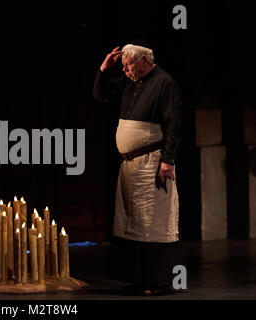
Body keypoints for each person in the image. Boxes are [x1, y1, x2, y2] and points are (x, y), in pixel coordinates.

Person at [93, 41, 182, 296]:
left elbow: (174, 124)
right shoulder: (129, 82)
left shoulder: (165, 83)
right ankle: (138, 279)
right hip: (130, 165)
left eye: (127, 64)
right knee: (133, 223)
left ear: (144, 60)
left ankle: (156, 282)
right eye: (123, 66)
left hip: (151, 161)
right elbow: (100, 94)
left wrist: (168, 160)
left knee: (152, 223)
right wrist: (103, 68)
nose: (125, 70)